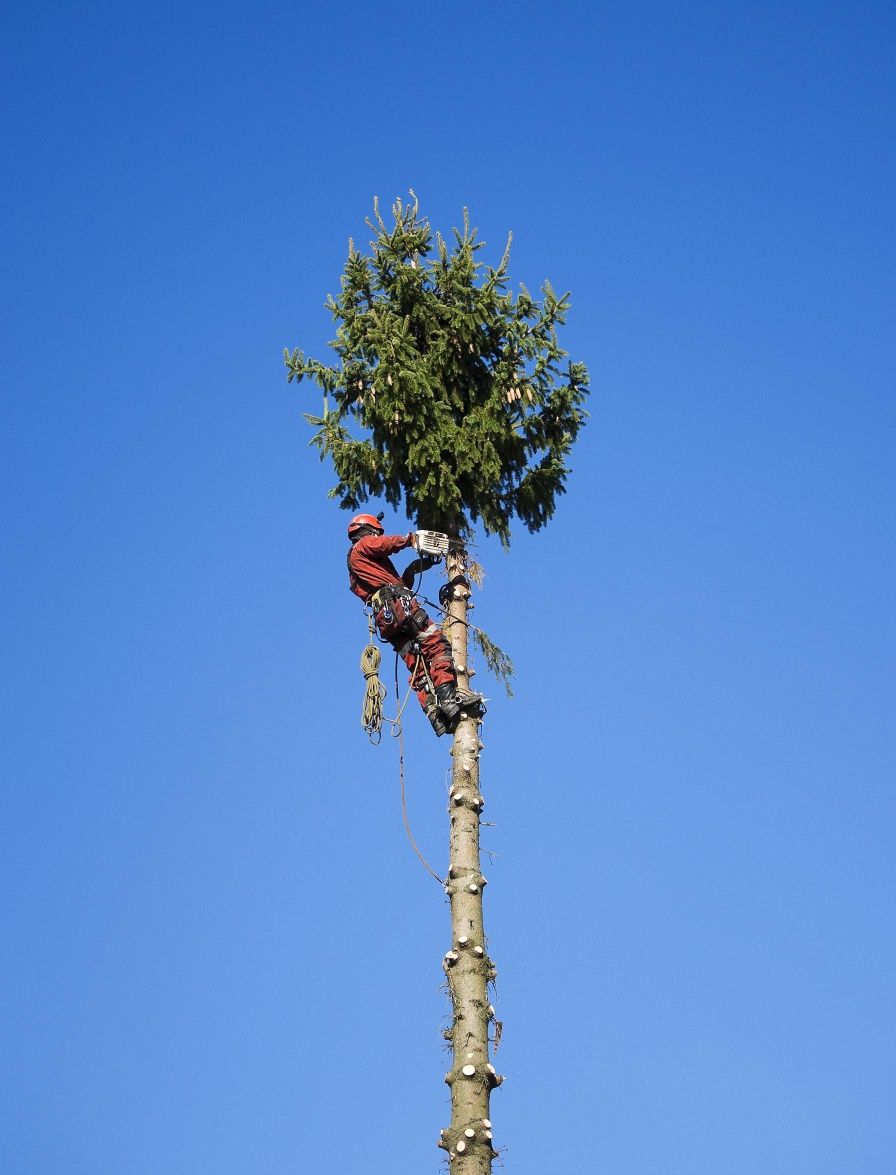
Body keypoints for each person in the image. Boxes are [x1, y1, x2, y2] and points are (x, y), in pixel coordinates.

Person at [346, 513, 463, 735]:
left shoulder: (356, 567)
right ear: (368, 531)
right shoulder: (363, 545)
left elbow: (392, 585)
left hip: (388, 620)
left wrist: (414, 569)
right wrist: (411, 539)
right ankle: (448, 700)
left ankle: (436, 716)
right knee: (436, 646)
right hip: (402, 608)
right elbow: (383, 545)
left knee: (418, 666)